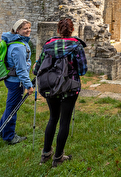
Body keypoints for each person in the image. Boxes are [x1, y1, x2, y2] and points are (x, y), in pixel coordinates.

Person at [33, 18, 87, 167]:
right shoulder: (76, 46)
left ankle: (45, 154)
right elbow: (82, 70)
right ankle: (58, 158)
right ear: (72, 30)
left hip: (51, 86)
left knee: (53, 118)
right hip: (70, 87)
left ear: (58, 30)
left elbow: (37, 69)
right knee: (64, 121)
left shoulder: (48, 45)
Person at [0, 19, 34, 145]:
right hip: (16, 82)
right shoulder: (18, 47)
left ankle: (2, 130)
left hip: (12, 80)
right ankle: (9, 136)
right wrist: (28, 85)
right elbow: (21, 69)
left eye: (29, 27)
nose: (28, 30)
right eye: (25, 28)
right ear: (17, 30)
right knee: (13, 109)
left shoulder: (14, 42)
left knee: (10, 106)